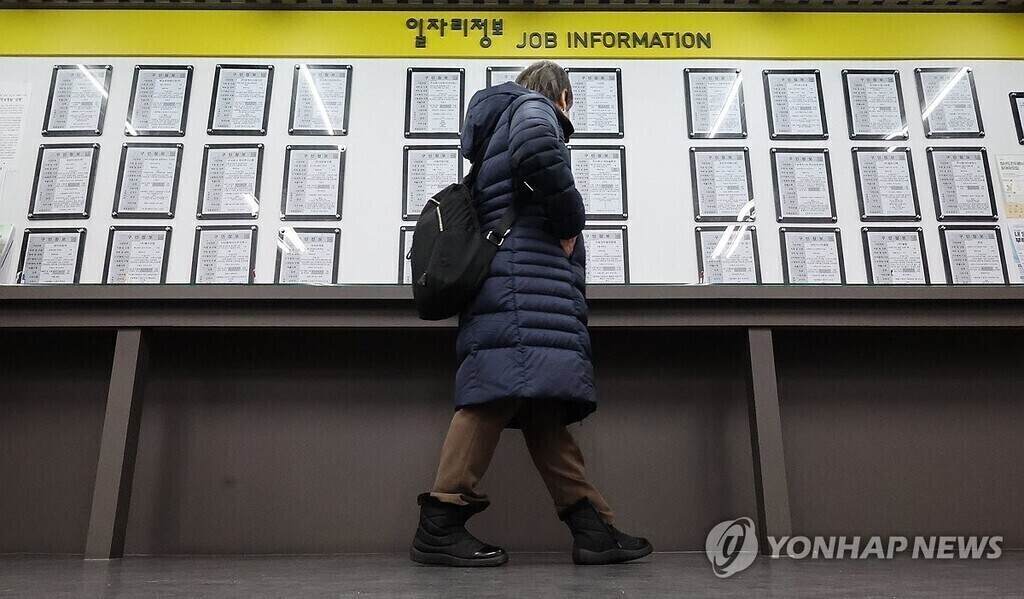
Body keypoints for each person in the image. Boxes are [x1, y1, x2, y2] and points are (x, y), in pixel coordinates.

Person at [410, 61, 652, 567]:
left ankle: (592, 528)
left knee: (541, 409)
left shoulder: (500, 125)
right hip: (523, 285)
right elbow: (539, 151)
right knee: (493, 396)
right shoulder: (533, 108)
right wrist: (570, 221)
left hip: (517, 284)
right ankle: (440, 523)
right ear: (562, 96)